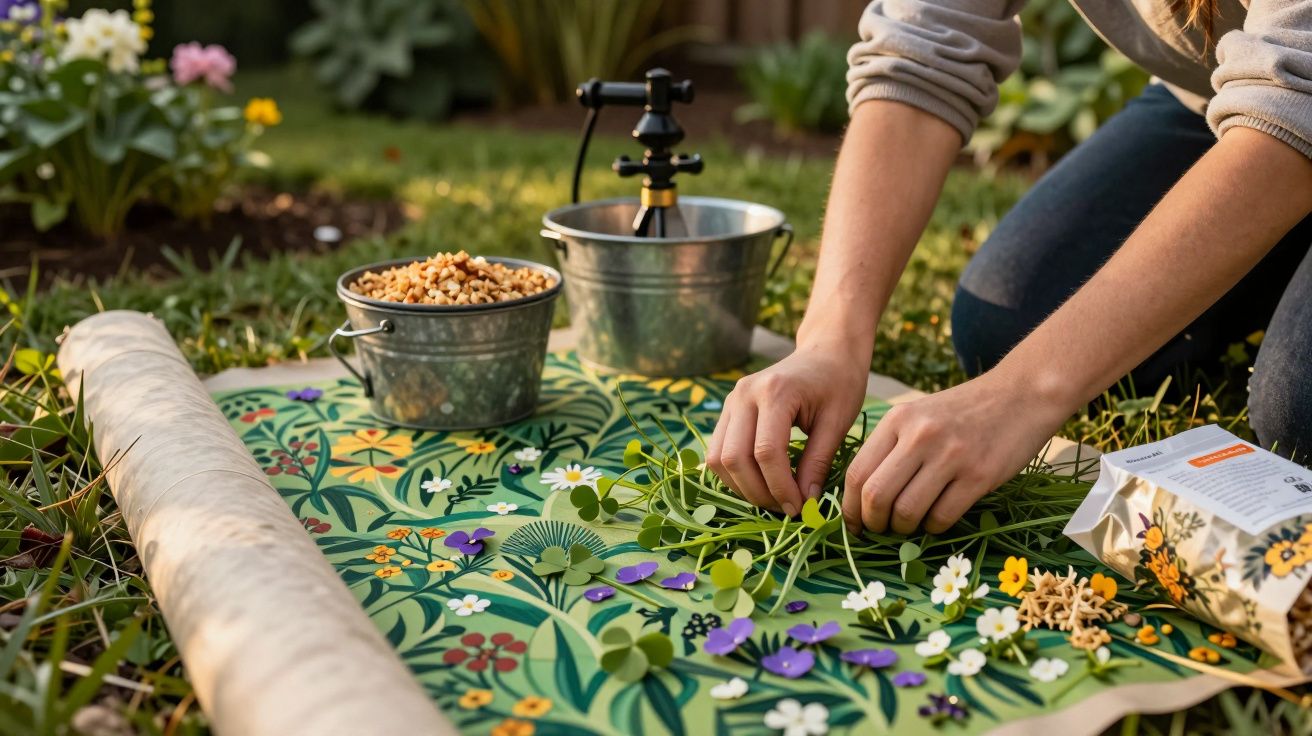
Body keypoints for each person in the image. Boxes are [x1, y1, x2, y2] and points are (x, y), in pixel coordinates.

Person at [706, 0, 1312, 536]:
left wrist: (1023, 392)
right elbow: (923, 43)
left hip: (1292, 96)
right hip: (1220, 94)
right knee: (1008, 324)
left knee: (1298, 410)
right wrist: (830, 339)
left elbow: (1296, 97)